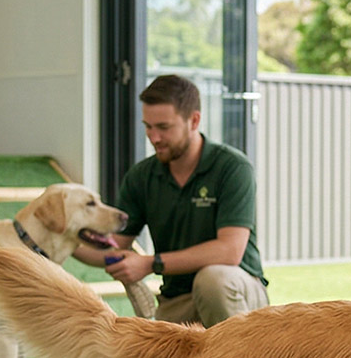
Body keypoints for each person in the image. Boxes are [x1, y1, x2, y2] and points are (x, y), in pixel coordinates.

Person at [75, 73, 269, 329]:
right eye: (148, 126)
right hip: (176, 300)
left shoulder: (232, 167)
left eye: (164, 127)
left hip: (238, 291)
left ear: (194, 120)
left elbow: (229, 251)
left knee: (212, 280)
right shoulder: (141, 177)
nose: (154, 137)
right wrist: (61, 242)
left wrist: (150, 263)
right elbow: (114, 246)